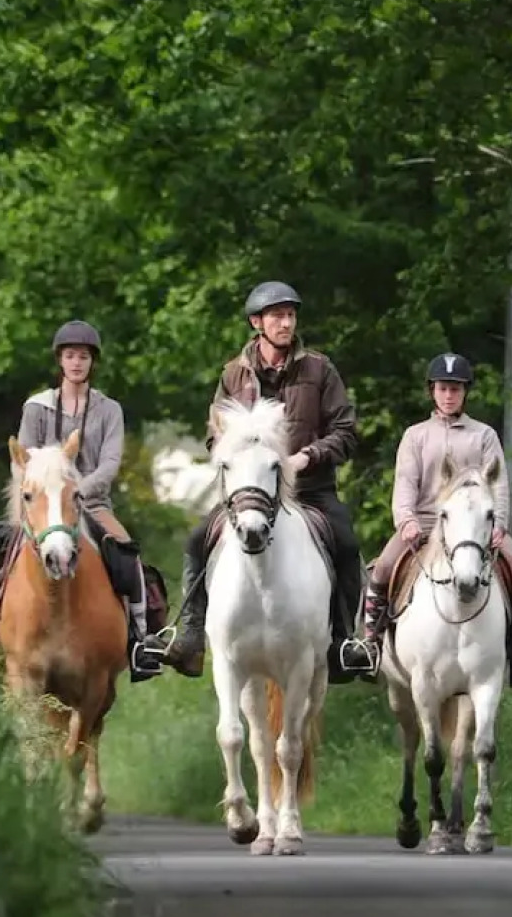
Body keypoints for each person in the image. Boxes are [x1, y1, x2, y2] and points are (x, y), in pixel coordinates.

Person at [138, 280, 372, 683]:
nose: (286, 322)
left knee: (347, 546)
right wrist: (236, 455)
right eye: (277, 315)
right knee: (197, 542)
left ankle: (343, 642)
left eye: (290, 315)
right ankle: (191, 635)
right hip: (248, 494)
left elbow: (346, 431)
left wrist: (307, 456)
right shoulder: (233, 374)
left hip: (309, 491)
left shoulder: (320, 368)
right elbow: (215, 434)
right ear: (256, 323)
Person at [0, 319, 162, 678]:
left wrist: (78, 490)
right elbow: (22, 457)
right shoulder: (36, 407)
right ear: (60, 361)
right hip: (39, 504)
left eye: (83, 356)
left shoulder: (109, 410)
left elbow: (111, 462)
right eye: (70, 356)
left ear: (92, 362)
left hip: (90, 502)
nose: (77, 363)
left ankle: (142, 639)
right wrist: (43, 491)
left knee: (127, 553)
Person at [337, 352, 512, 686]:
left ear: (465, 392)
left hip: (476, 527)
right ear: (432, 390)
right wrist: (405, 520)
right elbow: (405, 482)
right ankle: (370, 645)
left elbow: (499, 485)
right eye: (443, 388)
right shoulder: (416, 435)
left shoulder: (484, 436)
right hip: (425, 523)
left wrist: (499, 523)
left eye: (456, 389)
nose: (449, 395)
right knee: (384, 568)